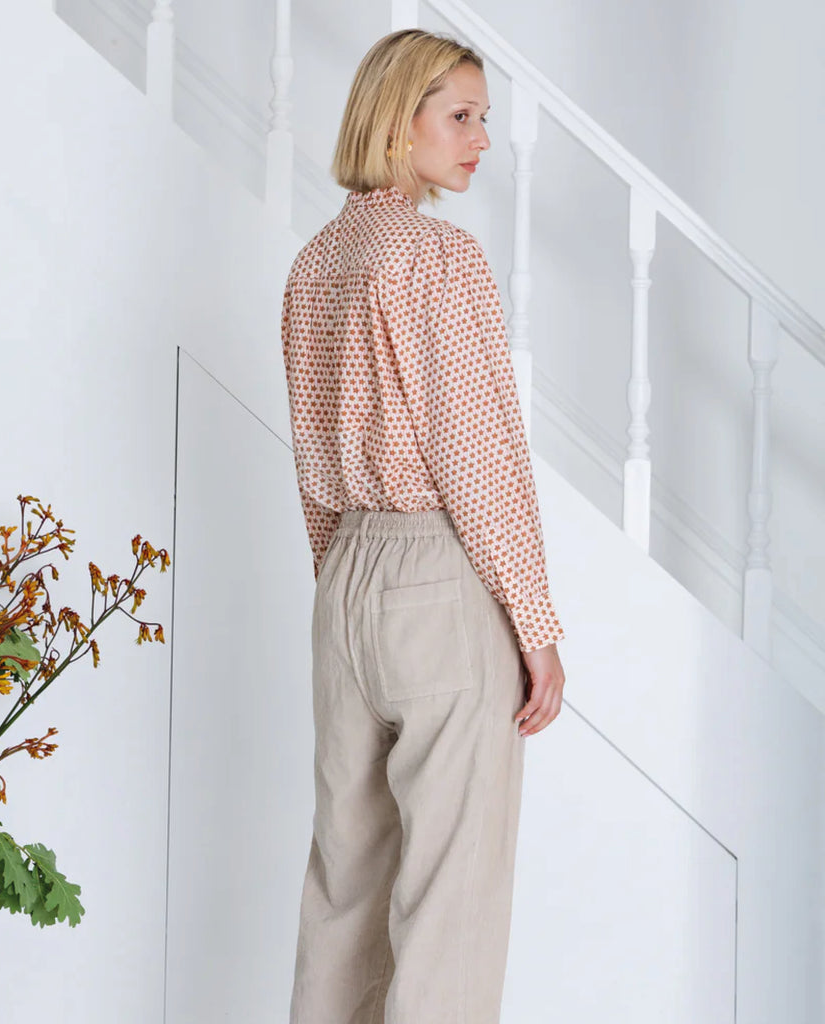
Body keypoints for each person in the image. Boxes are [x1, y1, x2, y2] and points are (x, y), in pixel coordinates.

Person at [280, 28, 566, 1024]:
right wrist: (534, 624)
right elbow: (476, 454)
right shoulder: (438, 258)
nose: (480, 138)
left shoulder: (315, 264)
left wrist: (345, 583)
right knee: (450, 907)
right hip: (439, 579)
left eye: (482, 118)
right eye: (461, 115)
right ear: (397, 123)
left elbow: (311, 460)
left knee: (344, 887)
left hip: (344, 577)